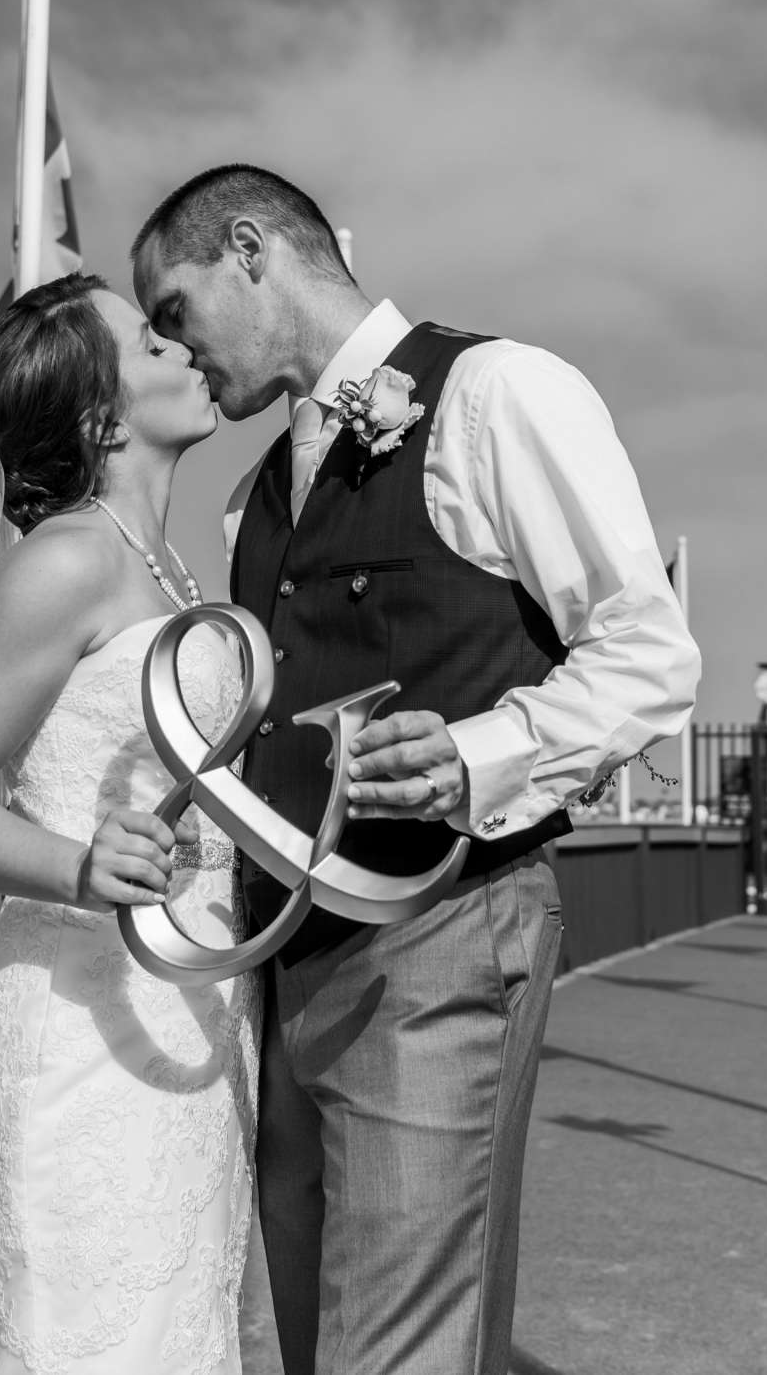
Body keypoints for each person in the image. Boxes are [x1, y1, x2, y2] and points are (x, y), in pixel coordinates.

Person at [131, 165, 702, 1375]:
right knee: (310, 1331)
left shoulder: (500, 392)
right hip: (286, 963)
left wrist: (473, 755)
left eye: (175, 309)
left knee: (394, 1348)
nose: (176, 353)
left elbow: (649, 654)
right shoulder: (247, 503)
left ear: (250, 250)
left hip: (444, 927)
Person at [0, 272, 267, 1375]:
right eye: (152, 343)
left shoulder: (172, 572)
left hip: (191, 1010)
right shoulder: (67, 559)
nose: (184, 349)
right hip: (82, 1031)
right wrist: (81, 867)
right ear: (100, 415)